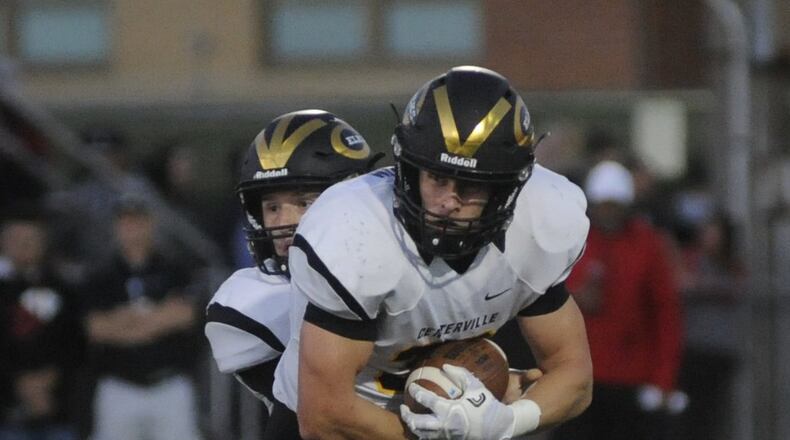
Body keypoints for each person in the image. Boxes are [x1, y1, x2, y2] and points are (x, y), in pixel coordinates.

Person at [270, 66, 593, 440]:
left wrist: (506, 423)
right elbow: (324, 418)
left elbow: (575, 377)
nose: (446, 202)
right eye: (437, 178)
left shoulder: (539, 222)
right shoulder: (357, 234)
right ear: (409, 170)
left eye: (470, 186)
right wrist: (443, 433)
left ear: (506, 190)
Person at [204, 110, 377, 413]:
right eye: (272, 207)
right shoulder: (252, 300)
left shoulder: (399, 262)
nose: (285, 222)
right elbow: (323, 407)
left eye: (304, 202)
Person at [551, 160, 684, 440]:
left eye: (614, 205)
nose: (608, 212)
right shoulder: (573, 241)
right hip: (579, 376)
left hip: (631, 378)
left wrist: (663, 380)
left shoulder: (648, 246)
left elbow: (666, 315)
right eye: (603, 205)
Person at [82, 195, 203, 440]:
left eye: (138, 221)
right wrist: (156, 318)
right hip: (119, 385)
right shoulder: (100, 275)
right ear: (115, 226)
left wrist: (124, 319)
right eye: (126, 222)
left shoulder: (175, 268)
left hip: (169, 382)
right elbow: (96, 329)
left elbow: (184, 316)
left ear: (151, 223)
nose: (132, 229)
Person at [0, 205, 84, 440]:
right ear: (4, 243)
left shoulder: (66, 290)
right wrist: (20, 381)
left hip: (58, 411)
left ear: (43, 242)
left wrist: (49, 378)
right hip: (7, 413)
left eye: (30, 239)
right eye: (16, 239)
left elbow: (77, 342)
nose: (24, 246)